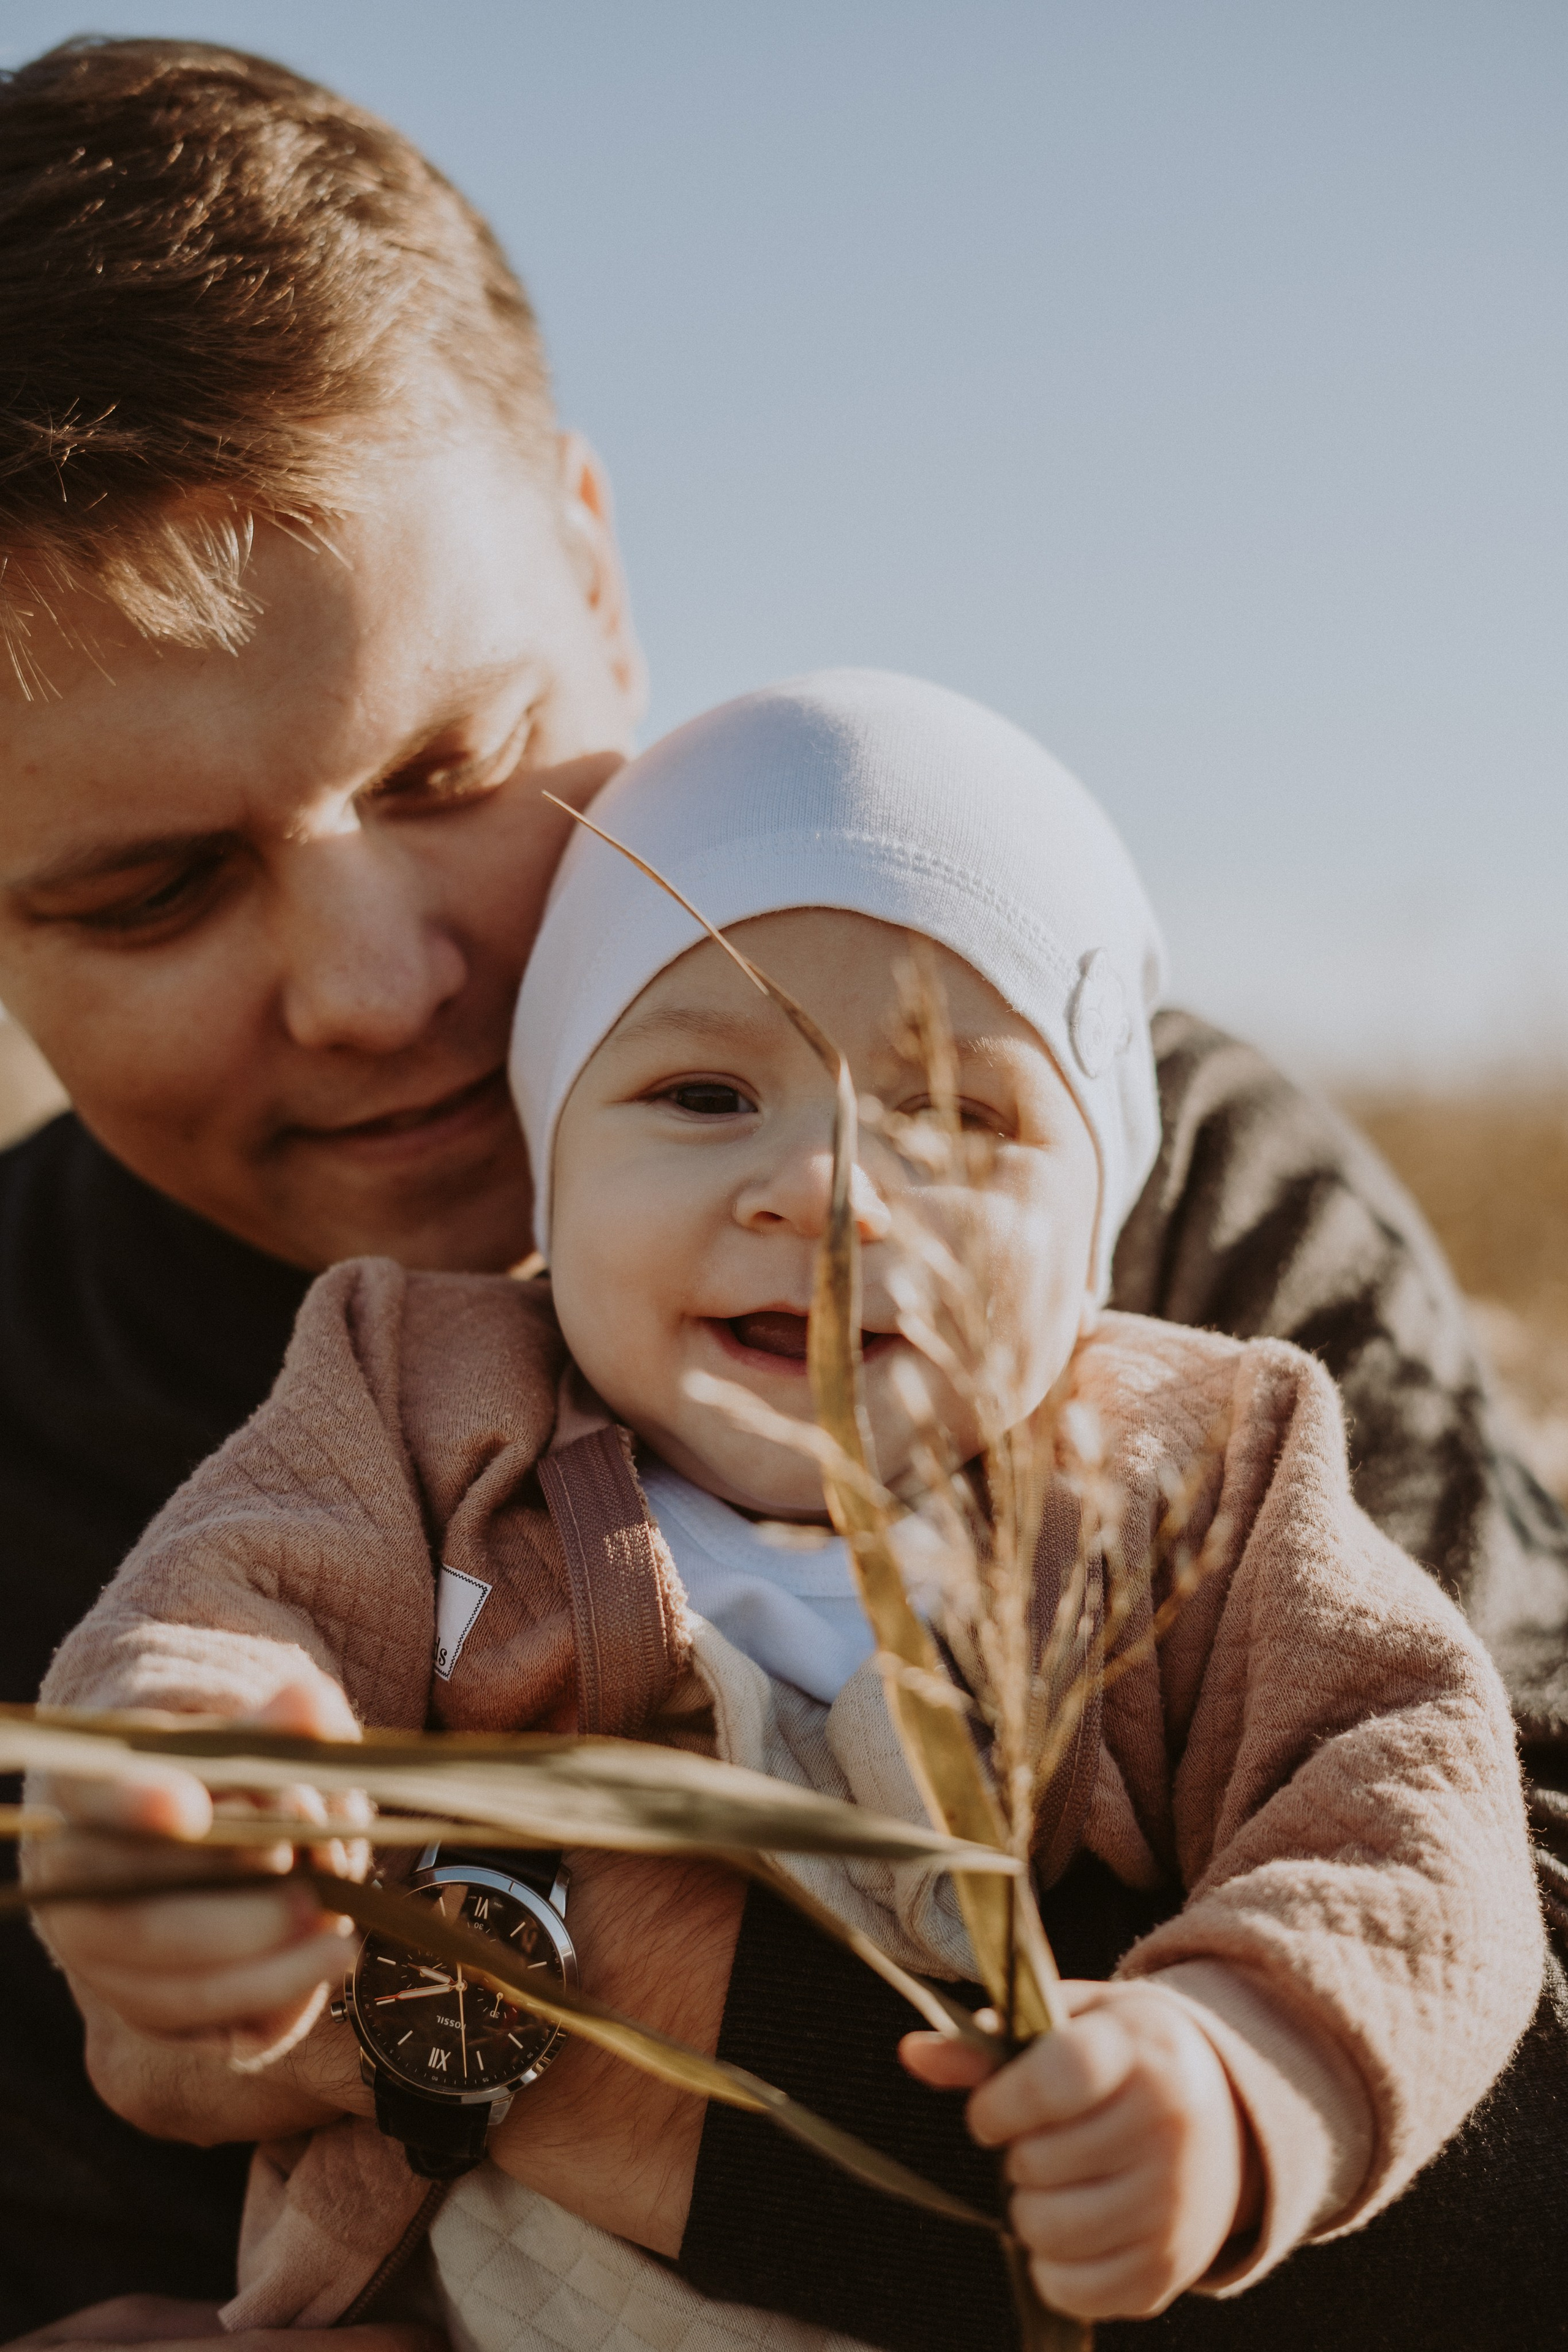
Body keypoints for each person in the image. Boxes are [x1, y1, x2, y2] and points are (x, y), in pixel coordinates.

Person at [0, 32, 1564, 2352]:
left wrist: (509, 2016)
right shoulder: (42, 1395)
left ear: (602, 577)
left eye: (458, 764)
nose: (374, 982)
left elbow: (1513, 2120)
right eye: (150, 889)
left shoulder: (1169, 1211)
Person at [36, 671, 1544, 2339]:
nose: (826, 1193)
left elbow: (1407, 1794)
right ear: (555, 1164)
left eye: (956, 1117)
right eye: (702, 1096)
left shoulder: (1200, 1466)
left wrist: (1248, 2062)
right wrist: (204, 1784)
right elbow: (235, 1599)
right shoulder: (422, 1391)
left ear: (1099, 1220)